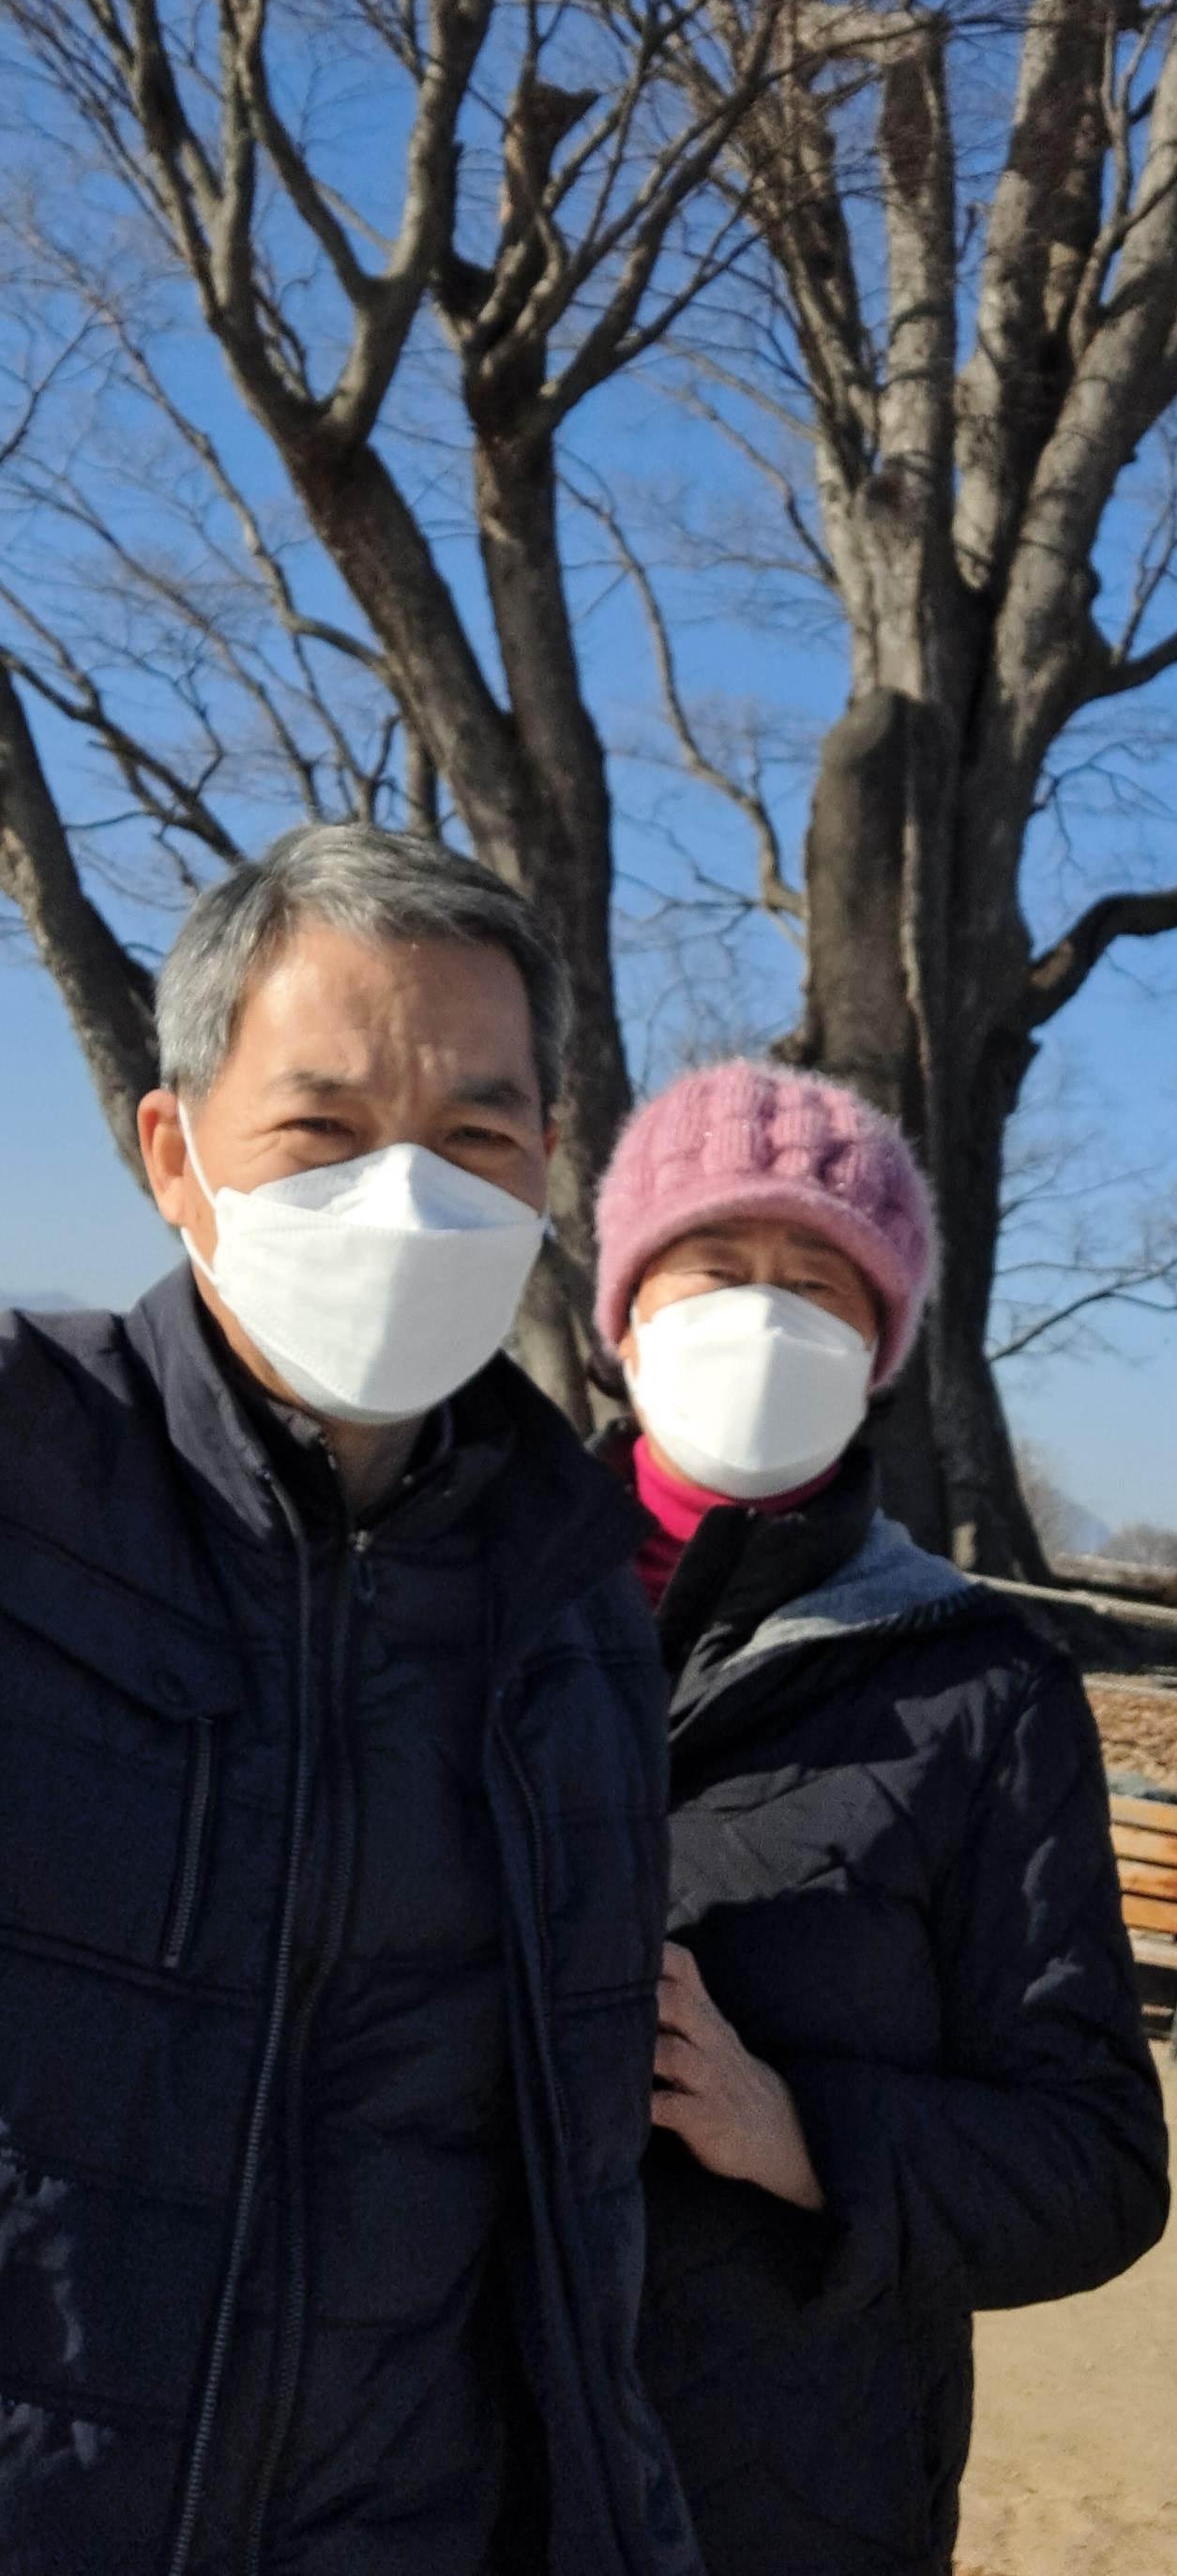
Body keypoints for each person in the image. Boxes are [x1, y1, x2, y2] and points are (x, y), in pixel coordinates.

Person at [0, 827, 700, 2576]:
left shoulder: (575, 1613)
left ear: (546, 1171)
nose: (405, 1197)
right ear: (175, 1154)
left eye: (475, 1137)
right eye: (320, 1130)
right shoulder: (24, 1474)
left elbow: (567, 2217)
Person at [593, 1058, 1171, 2576]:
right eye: (716, 1264)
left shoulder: (985, 1692)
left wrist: (799, 2132)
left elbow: (1096, 2167)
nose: (762, 1315)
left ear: (879, 1353)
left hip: (789, 2503)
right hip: (419, 2473)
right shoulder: (449, 1610)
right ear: (626, 1316)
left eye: (820, 1285)